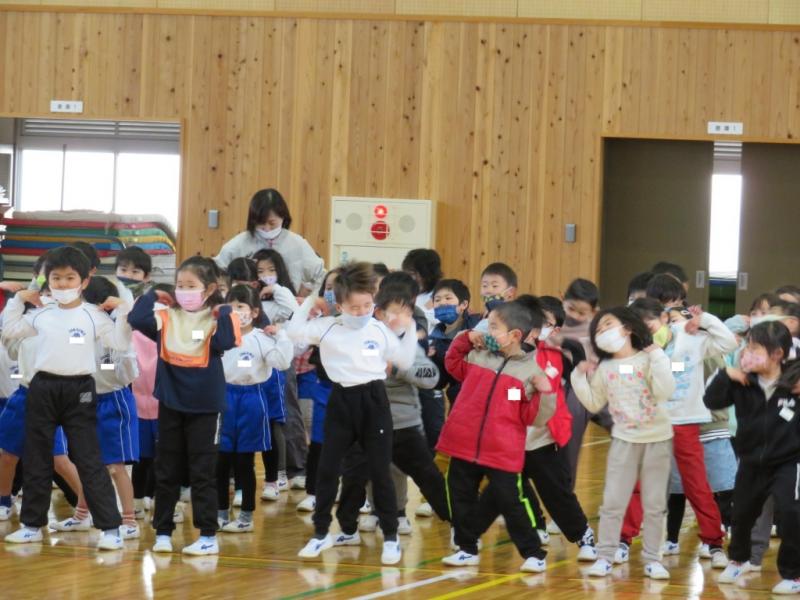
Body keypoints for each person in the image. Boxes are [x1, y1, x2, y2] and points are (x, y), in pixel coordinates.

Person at [286, 262, 417, 565]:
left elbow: (405, 360)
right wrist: (310, 302)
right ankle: (321, 533)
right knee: (328, 469)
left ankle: (391, 538)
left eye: (367, 306)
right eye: (354, 308)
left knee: (380, 470)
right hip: (341, 400)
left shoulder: (379, 330)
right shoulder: (328, 326)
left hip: (374, 401)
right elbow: (293, 332)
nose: (361, 312)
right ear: (340, 304)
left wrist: (409, 328)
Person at [3, 246, 132, 550]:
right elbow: (9, 330)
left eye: (70, 278)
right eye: (56, 278)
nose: (62, 284)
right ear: (47, 280)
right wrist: (18, 300)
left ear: (84, 281)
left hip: (80, 389)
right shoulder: (40, 314)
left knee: (89, 458)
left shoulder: (92, 315)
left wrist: (125, 310)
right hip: (42, 387)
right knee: (37, 456)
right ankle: (32, 525)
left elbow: (119, 342)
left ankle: (111, 529)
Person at [128, 255, 241, 556]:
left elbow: (225, 342)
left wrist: (224, 309)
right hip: (171, 403)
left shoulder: (218, 317)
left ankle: (207, 536)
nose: (183, 291)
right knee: (166, 470)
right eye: (180, 285)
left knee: (202, 472)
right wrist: (152, 295)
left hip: (205, 407)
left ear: (209, 288)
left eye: (191, 285)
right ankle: (163, 532)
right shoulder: (167, 316)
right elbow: (136, 320)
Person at [334, 273, 450, 542]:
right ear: (378, 313)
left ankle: (461, 527)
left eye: (405, 313)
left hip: (402, 423)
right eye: (393, 313)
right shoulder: (361, 338)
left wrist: (398, 367)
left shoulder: (408, 344)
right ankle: (349, 529)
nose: (399, 318)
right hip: (364, 423)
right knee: (354, 477)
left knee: (427, 476)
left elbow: (431, 377)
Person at [437, 301, 551, 572]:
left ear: (514, 335)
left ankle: (533, 553)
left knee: (510, 502)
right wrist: (466, 338)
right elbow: (452, 364)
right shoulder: (478, 356)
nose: (487, 332)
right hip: (463, 443)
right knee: (460, 497)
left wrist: (545, 393)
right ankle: (467, 549)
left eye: (493, 327)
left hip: (501, 449)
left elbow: (533, 416)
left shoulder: (530, 372)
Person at [571, 307, 675, 580]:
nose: (602, 331)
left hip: (657, 440)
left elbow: (665, 390)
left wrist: (658, 356)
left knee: (654, 505)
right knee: (612, 503)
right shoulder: (605, 368)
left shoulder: (649, 358)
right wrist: (579, 376)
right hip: (623, 441)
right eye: (598, 329)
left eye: (607, 324)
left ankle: (653, 559)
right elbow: (593, 402)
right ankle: (605, 557)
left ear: (627, 328)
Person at [706, 321, 800, 595]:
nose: (747, 353)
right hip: (750, 460)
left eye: (756, 348)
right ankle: (739, 559)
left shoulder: (793, 381)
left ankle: (793, 574)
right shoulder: (742, 380)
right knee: (742, 513)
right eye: (747, 346)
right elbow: (711, 401)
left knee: (791, 512)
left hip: (789, 460)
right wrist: (725, 374)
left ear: (777, 353)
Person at [218, 285, 293, 532]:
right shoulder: (218, 334)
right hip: (224, 397)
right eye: (231, 306)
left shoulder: (261, 338)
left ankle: (246, 517)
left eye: (241, 306)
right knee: (221, 460)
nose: (236, 311)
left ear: (254, 312)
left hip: (252, 398)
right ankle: (220, 513)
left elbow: (282, 362)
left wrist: (281, 336)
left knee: (244, 460)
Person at [83, 276, 141, 540]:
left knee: (116, 467)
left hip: (114, 399)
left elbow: (128, 375)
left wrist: (124, 351)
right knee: (88, 464)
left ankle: (129, 520)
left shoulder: (118, 330)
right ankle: (81, 514)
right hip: (87, 399)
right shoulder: (81, 329)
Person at [214, 188, 325, 296]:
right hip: (247, 304)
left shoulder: (297, 244)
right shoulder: (239, 244)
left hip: (288, 304)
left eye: (272, 223)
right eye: (261, 223)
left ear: (283, 217)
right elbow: (215, 272)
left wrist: (309, 300)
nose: (267, 229)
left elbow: (321, 276)